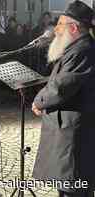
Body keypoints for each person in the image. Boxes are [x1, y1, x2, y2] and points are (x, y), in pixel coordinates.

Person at [32, 1, 95, 197]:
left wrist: (38, 101)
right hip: (69, 132)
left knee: (73, 188)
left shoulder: (82, 50)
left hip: (74, 136)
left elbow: (61, 87)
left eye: (60, 24)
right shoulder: (77, 48)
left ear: (74, 28)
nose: (56, 29)